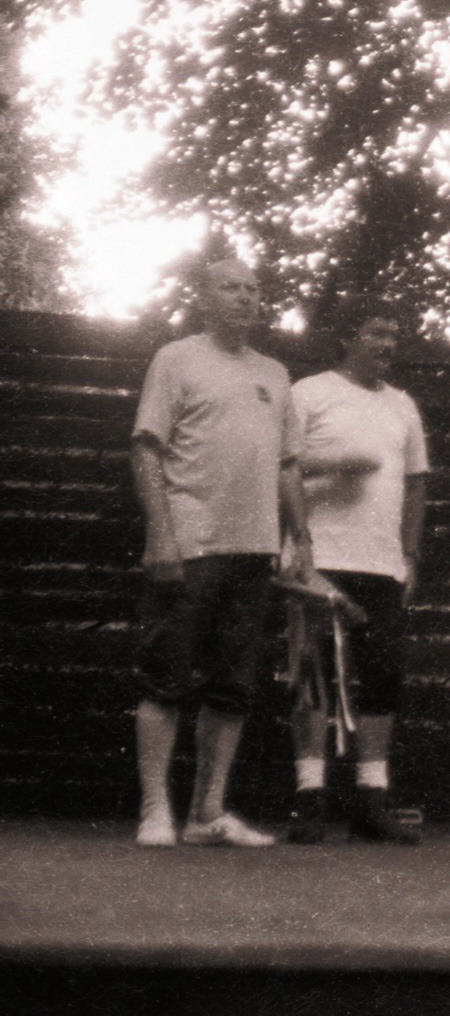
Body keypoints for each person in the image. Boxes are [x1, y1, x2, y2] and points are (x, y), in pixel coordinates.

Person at [130, 259, 311, 848]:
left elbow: (288, 465)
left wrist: (301, 542)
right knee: (165, 678)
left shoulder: (274, 373)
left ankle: (206, 814)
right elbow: (146, 450)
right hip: (190, 545)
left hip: (254, 551)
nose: (244, 296)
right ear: (204, 299)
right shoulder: (176, 358)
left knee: (233, 689)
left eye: (252, 288)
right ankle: (155, 811)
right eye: (230, 287)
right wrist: (161, 536)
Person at [284, 297, 429, 845]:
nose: (387, 344)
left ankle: (372, 800)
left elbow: (416, 484)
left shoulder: (403, 405)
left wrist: (409, 555)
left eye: (393, 335)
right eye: (376, 333)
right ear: (347, 338)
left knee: (383, 675)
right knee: (313, 678)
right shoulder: (309, 392)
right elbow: (281, 468)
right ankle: (309, 800)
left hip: (382, 564)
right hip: (318, 558)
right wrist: (336, 463)